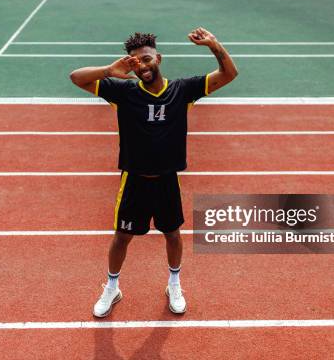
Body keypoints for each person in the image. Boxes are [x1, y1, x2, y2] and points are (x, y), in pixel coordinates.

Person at [69, 27, 238, 317]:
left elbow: (229, 74)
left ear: (158, 58)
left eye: (146, 59)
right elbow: (76, 77)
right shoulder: (123, 91)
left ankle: (174, 283)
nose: (142, 66)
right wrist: (110, 70)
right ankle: (112, 288)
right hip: (133, 179)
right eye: (134, 62)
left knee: (173, 234)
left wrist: (214, 45)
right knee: (121, 237)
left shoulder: (182, 90)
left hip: (166, 181)